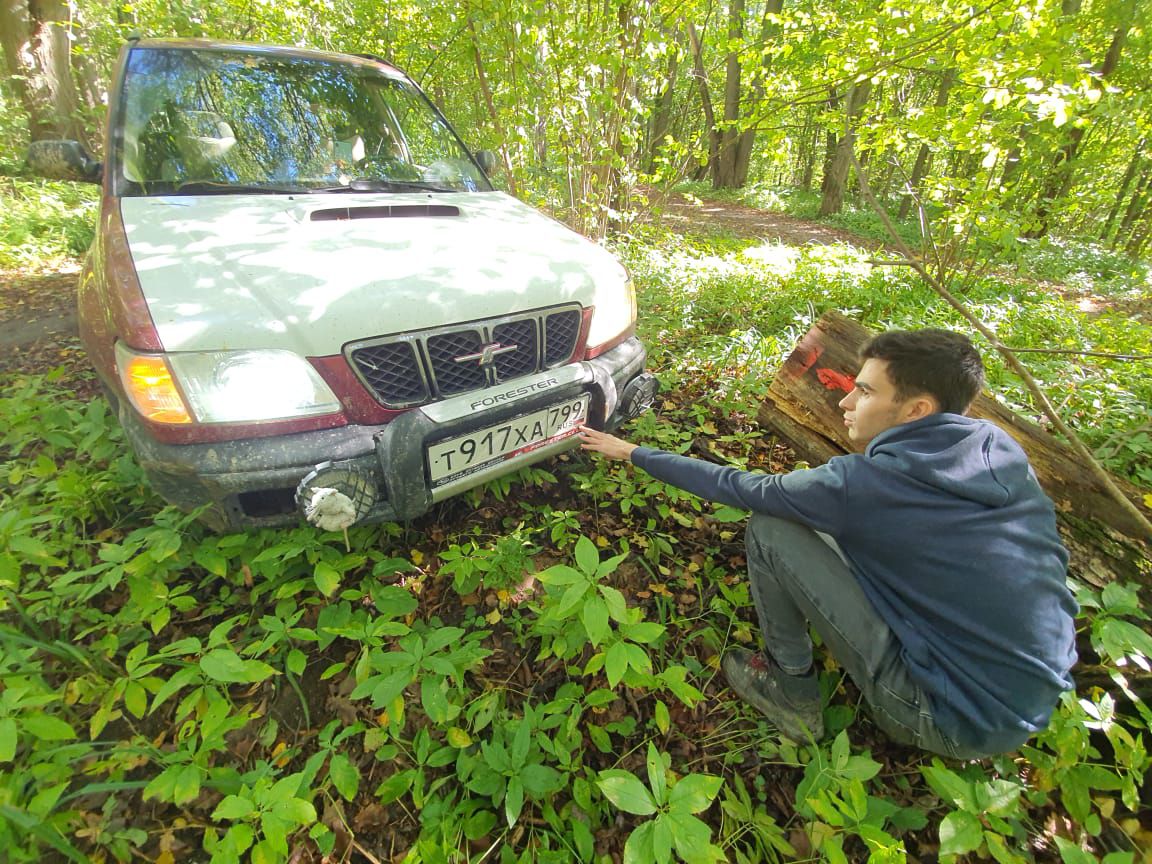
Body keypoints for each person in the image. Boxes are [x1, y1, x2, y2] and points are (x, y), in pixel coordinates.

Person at [578, 328, 1077, 759]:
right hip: (1025, 702)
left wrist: (635, 452)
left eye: (863, 392)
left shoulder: (863, 485)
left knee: (772, 528)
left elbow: (746, 490)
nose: (844, 401)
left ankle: (791, 693)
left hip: (948, 718)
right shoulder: (999, 453)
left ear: (918, 409)